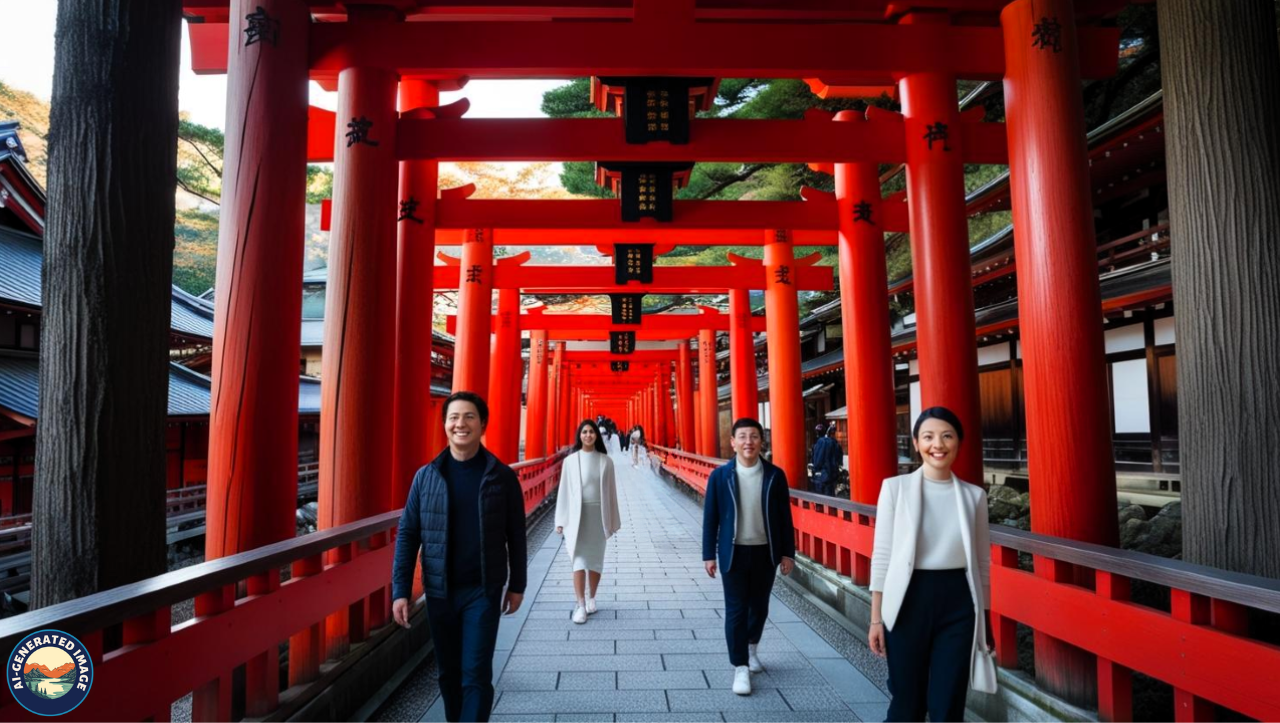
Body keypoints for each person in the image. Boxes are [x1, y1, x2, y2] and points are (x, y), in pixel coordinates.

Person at [391, 391, 527, 723]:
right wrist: (400, 590)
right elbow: (408, 534)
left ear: (483, 424)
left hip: (483, 589)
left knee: (476, 675)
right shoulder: (426, 477)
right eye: (453, 417)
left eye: (469, 417)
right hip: (440, 591)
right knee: (448, 675)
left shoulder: (502, 476)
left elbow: (516, 534)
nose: (460, 424)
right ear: (444, 425)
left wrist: (517, 584)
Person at [867, 406, 994, 722]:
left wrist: (985, 620)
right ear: (916, 442)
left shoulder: (974, 496)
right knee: (907, 702)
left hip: (958, 603)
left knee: (948, 703)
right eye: (929, 437)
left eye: (947, 436)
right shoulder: (895, 489)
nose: (938, 444)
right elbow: (882, 555)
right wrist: (875, 619)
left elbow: (981, 563)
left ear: (958, 443)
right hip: (908, 600)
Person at [702, 418, 797, 696]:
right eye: (742, 437)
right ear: (733, 442)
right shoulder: (720, 476)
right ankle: (740, 666)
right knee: (736, 609)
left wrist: (787, 553)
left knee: (760, 606)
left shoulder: (775, 476)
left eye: (753, 436)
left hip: (765, 551)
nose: (748, 442)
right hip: (733, 551)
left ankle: (752, 647)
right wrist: (708, 554)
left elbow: (784, 518)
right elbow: (711, 519)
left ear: (761, 441)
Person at [555, 420, 623, 623]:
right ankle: (580, 604)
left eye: (591, 432)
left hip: (597, 516)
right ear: (579, 435)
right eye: (584, 432)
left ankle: (592, 597)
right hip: (576, 516)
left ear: (596, 435)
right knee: (578, 560)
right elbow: (564, 491)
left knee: (594, 561)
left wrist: (613, 521)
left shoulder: (606, 461)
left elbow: (611, 494)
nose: (588, 435)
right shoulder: (570, 461)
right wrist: (560, 519)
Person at [810, 423, 843, 496]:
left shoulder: (820, 442)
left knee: (821, 497)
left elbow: (817, 460)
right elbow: (839, 458)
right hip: (832, 474)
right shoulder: (834, 442)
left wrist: (815, 468)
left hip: (823, 474)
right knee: (830, 494)